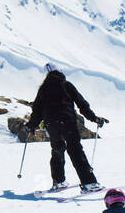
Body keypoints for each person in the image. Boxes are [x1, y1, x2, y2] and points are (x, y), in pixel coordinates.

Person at [25, 64, 105, 192]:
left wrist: (31, 126)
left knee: (57, 150)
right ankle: (89, 183)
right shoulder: (66, 85)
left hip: (51, 125)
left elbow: (37, 111)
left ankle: (59, 181)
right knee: (75, 151)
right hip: (67, 122)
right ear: (60, 71)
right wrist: (94, 118)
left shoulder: (43, 89)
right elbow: (82, 104)